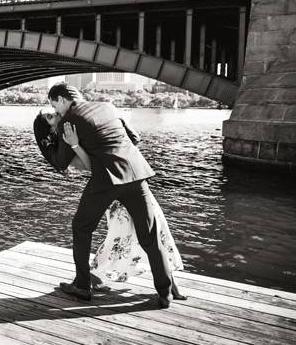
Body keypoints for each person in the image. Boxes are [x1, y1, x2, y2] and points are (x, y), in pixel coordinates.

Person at [33, 83, 185, 308]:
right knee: (150, 236)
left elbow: (60, 161)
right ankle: (165, 293)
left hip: (106, 179)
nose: (56, 111)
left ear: (62, 99)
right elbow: (133, 139)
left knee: (81, 227)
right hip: (136, 173)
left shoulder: (68, 120)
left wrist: (49, 144)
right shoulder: (108, 106)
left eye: (54, 105)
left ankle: (82, 286)